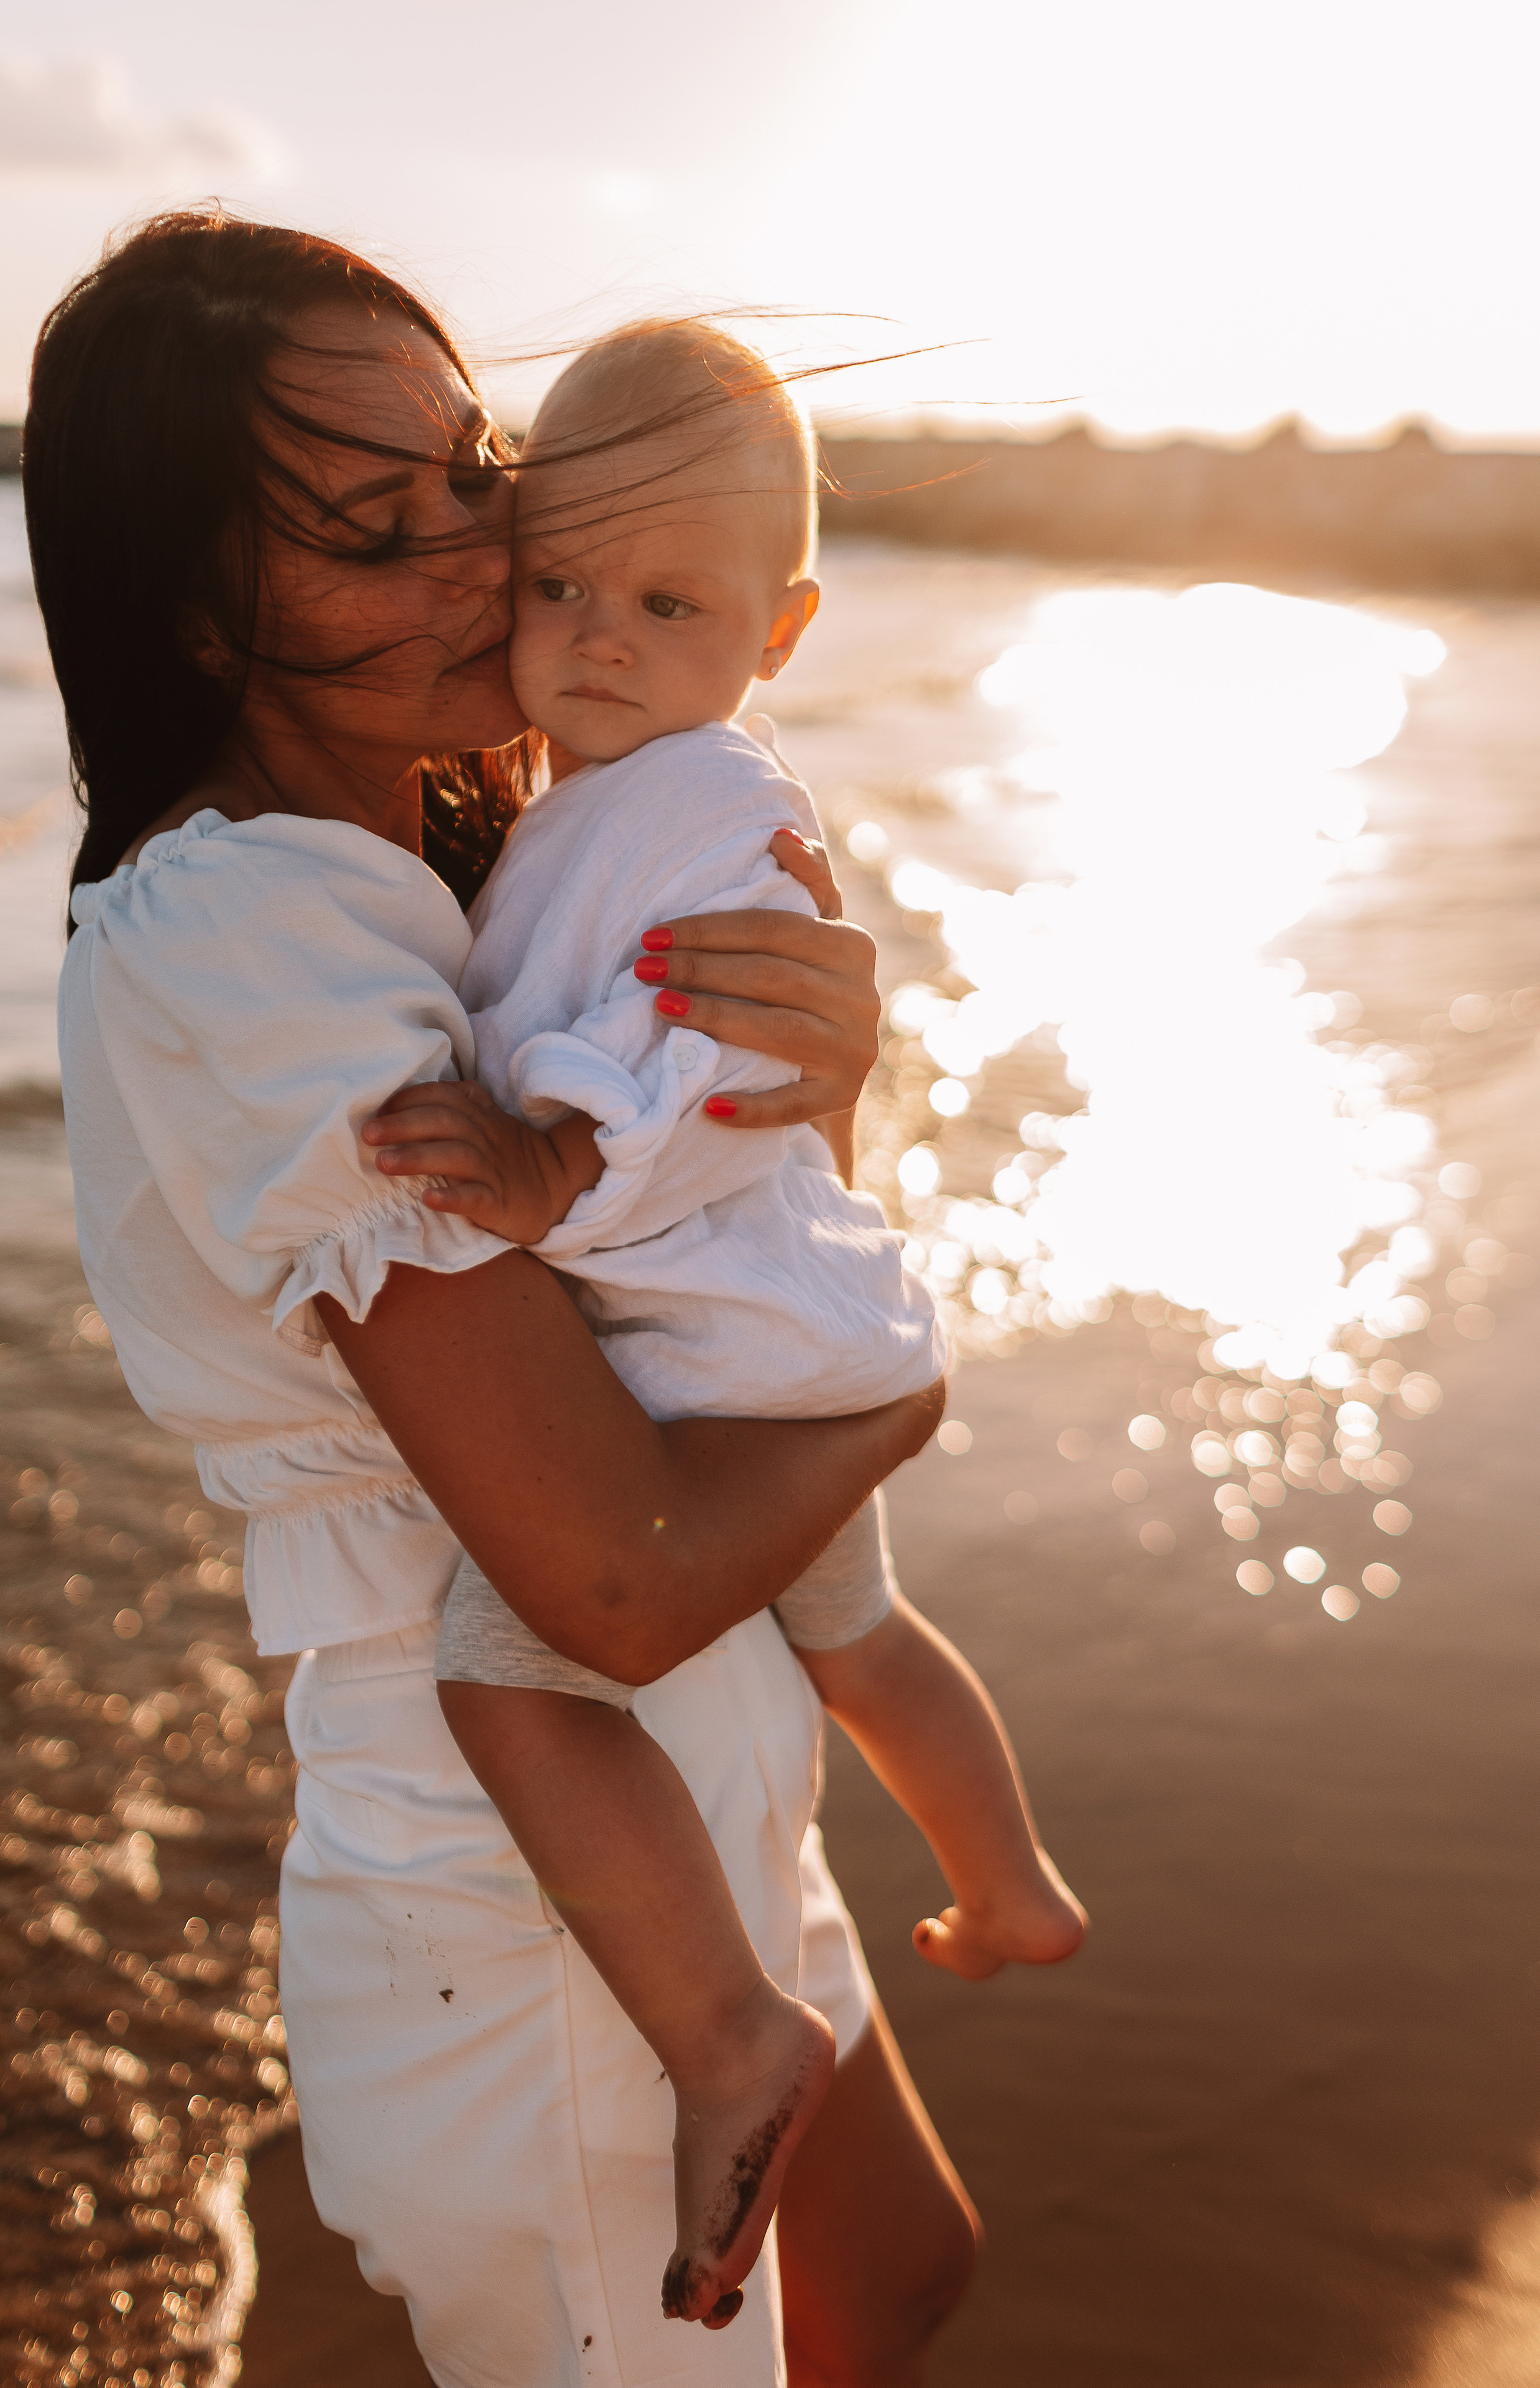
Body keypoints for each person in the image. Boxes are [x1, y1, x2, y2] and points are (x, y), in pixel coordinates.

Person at [30, 210, 976, 2387]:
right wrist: (899, 1379)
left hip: (678, 1757)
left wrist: (802, 1102)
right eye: (378, 532)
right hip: (526, 1866)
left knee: (901, 2279)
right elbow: (614, 1576)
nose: (486, 559)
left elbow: (668, 1297)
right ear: (197, 613)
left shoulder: (499, 865)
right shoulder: (250, 929)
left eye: (473, 473)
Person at [366, 319, 1089, 2328]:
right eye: (557, 588)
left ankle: (724, 2037)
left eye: (664, 604)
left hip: (720, 1355)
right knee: (858, 1633)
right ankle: (1009, 1878)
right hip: (785, 1324)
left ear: (780, 630)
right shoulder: (616, 787)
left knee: (512, 1679)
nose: (594, 639)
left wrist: (541, 1181)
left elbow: (688, 1048)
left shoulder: (693, 809)